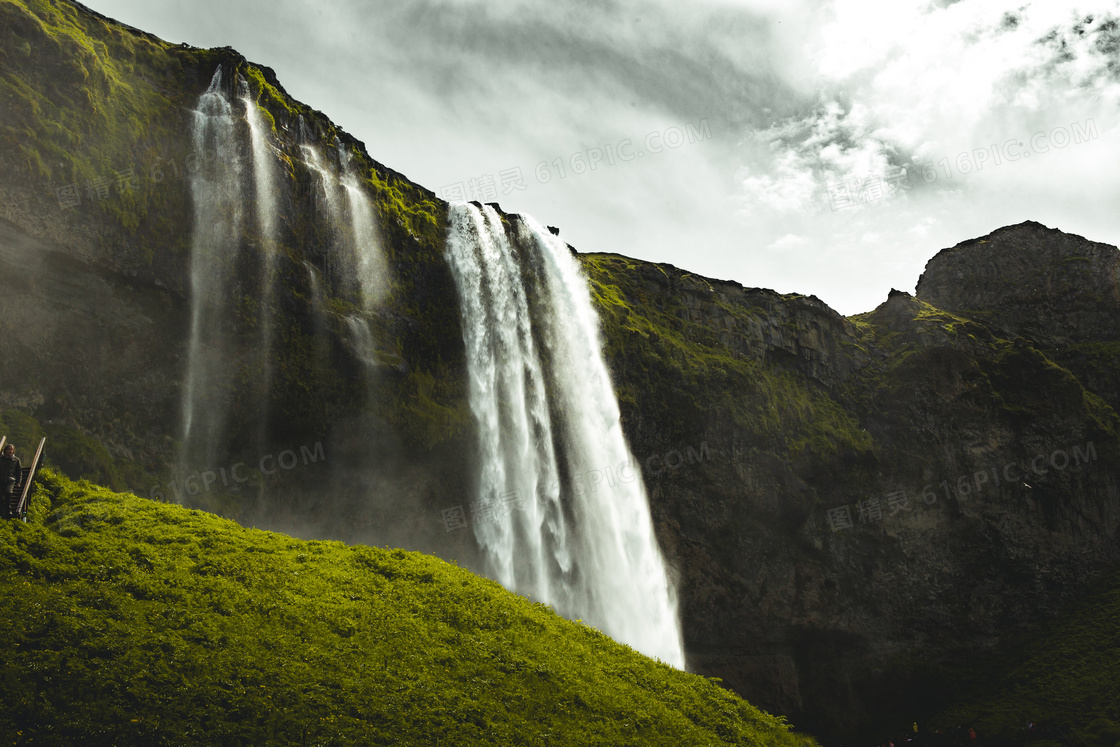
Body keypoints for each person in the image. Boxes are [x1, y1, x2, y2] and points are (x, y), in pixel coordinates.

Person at [0, 443, 22, 518]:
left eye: (11, 449)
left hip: (10, 481)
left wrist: (18, 482)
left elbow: (19, 472)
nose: (10, 451)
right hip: (1, 480)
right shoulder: (1, 459)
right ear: (5, 450)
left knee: (8, 493)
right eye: (9, 449)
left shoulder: (16, 460)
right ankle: (2, 512)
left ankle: (8, 511)